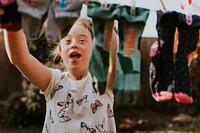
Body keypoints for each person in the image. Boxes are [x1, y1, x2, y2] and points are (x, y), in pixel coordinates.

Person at [3, 14, 118, 133]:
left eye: (82, 40)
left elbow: (113, 55)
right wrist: (11, 20)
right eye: (67, 41)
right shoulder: (54, 83)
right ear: (61, 51)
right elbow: (20, 59)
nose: (74, 44)